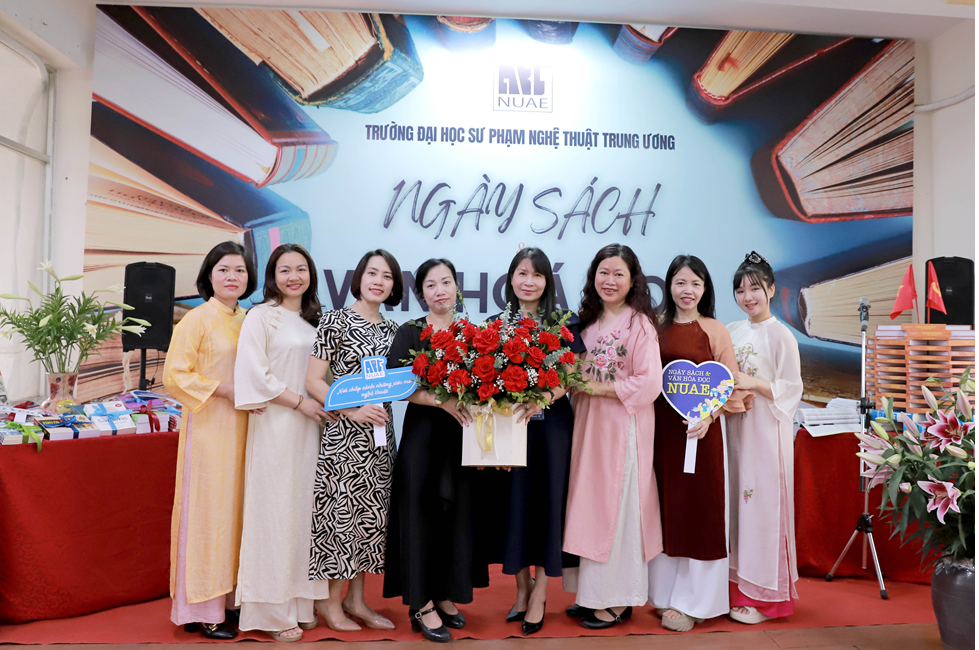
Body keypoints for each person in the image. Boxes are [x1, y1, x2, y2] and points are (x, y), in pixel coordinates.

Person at [481, 247, 586, 636]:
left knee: (548, 505)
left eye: (537, 275)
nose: (529, 281)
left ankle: (541, 591)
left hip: (551, 427)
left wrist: (544, 397)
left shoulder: (564, 323)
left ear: (547, 281)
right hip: (510, 427)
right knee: (512, 505)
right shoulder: (495, 325)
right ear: (510, 279)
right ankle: (521, 586)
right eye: (522, 273)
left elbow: (573, 372)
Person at [563, 243, 664, 630]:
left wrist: (597, 387)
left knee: (618, 510)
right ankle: (592, 594)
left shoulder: (639, 324)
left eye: (618, 274)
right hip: (588, 427)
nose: (609, 280)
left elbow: (649, 382)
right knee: (590, 507)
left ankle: (619, 600)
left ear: (633, 280)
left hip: (623, 429)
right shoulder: (586, 322)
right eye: (603, 273)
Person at [234, 244, 331, 642]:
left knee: (302, 514)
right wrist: (299, 402)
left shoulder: (316, 320)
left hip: (311, 430)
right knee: (273, 513)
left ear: (311, 274)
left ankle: (301, 603)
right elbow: (253, 372)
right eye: (285, 269)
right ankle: (272, 610)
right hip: (275, 426)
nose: (294, 276)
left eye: (301, 269)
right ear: (273, 275)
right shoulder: (261, 316)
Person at [383, 258, 483, 643]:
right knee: (420, 515)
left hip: (462, 437)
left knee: (454, 517)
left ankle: (444, 593)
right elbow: (397, 385)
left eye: (446, 282)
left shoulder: (472, 333)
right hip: (423, 437)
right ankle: (421, 603)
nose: (439, 290)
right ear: (421, 293)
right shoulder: (410, 332)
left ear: (456, 287)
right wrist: (440, 400)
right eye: (430, 284)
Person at [647, 255, 748, 632]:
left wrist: (709, 416)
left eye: (696, 283)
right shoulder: (654, 326)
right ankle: (663, 594)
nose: (687, 290)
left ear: (705, 289)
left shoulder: (714, 330)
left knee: (699, 511)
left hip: (702, 436)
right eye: (680, 282)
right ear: (669, 285)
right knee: (664, 508)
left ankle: (696, 601)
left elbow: (730, 383)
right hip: (660, 435)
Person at [305, 250, 403, 632]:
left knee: (370, 521)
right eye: (372, 273)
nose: (379, 281)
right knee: (341, 520)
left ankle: (356, 600)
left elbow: (398, 384)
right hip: (345, 438)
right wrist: (352, 410)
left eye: (387, 276)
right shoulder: (336, 321)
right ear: (359, 278)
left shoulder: (394, 330)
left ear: (394, 285)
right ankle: (330, 603)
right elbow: (313, 381)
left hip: (380, 441)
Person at [163, 242, 256, 640]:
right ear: (209, 276)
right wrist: (223, 389)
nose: (232, 277)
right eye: (224, 270)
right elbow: (174, 375)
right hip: (209, 433)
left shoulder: (250, 319)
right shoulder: (196, 319)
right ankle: (203, 608)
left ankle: (230, 600)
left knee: (236, 517)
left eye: (240, 270)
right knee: (209, 517)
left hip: (247, 431)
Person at [726, 251, 803, 624]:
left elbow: (792, 388)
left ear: (771, 290)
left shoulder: (782, 335)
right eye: (740, 290)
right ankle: (736, 590)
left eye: (755, 288)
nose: (748, 297)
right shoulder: (732, 330)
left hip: (767, 434)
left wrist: (753, 382)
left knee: (763, 509)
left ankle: (768, 601)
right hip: (735, 429)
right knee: (738, 508)